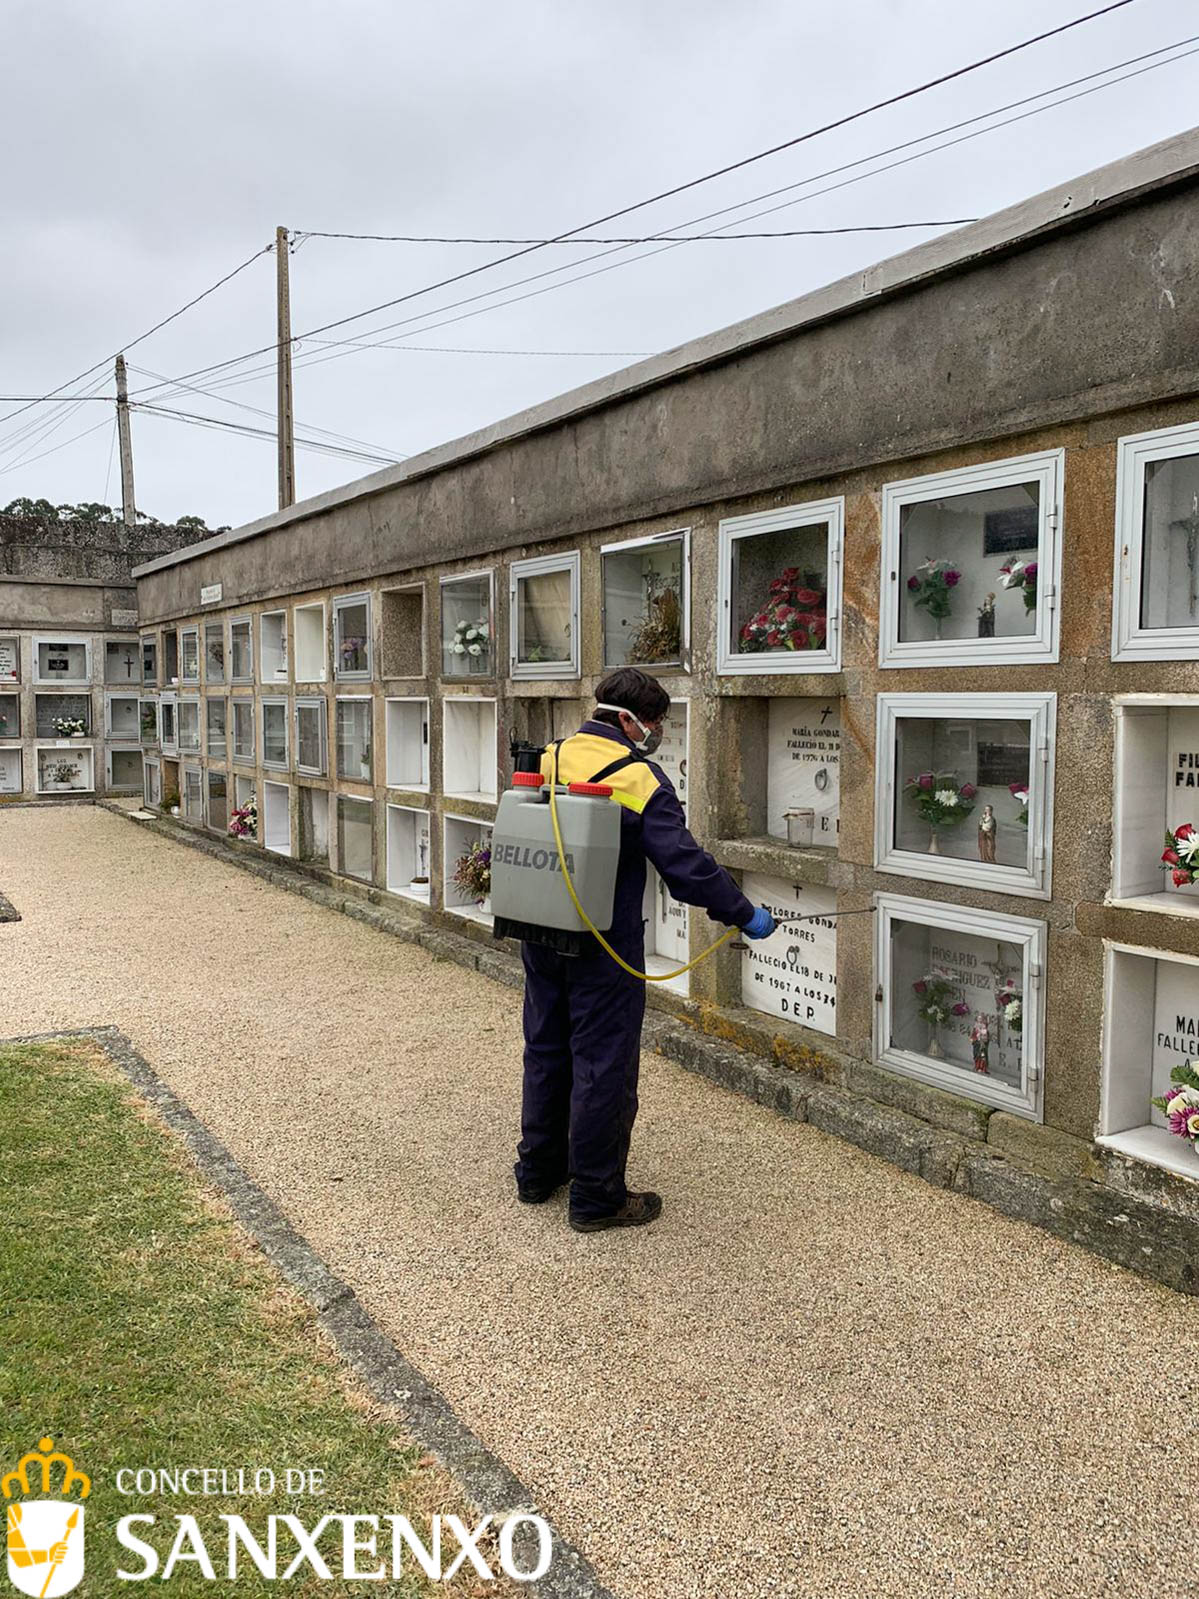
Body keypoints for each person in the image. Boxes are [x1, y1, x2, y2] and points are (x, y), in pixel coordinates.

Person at [515, 667, 778, 1232]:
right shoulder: (639, 778)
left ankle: (537, 1172)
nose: (654, 732)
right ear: (636, 720)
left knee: (545, 1047)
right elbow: (684, 867)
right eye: (655, 722)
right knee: (602, 1063)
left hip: (539, 926)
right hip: (604, 942)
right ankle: (596, 1197)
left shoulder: (551, 754)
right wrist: (743, 913)